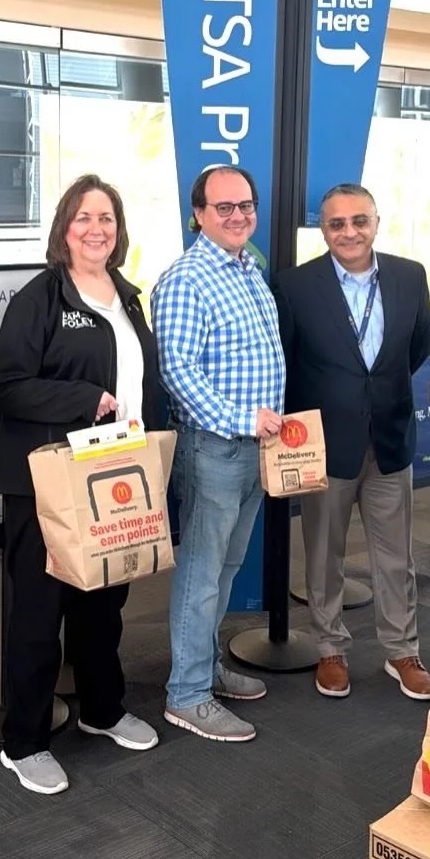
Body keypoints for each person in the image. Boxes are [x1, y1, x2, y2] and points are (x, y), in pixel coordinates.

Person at [0, 175, 161, 795]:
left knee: (103, 604)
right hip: (48, 478)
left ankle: (101, 710)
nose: (96, 229)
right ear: (63, 228)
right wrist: (83, 397)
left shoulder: (128, 296)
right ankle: (23, 740)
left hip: (114, 473)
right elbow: (1, 385)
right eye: (84, 218)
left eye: (107, 218)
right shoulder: (42, 297)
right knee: (38, 609)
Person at [274, 184, 430, 701]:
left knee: (396, 557)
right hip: (325, 443)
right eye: (336, 224)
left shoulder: (410, 277)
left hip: (389, 438)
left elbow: (413, 349)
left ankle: (402, 650)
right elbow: (289, 362)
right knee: (324, 554)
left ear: (376, 222)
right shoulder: (296, 286)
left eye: (358, 221)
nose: (349, 232)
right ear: (323, 230)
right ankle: (331, 649)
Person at [150, 165, 285, 743]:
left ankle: (202, 668)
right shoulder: (187, 278)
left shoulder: (247, 269)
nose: (238, 216)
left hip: (256, 449)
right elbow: (177, 371)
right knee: (203, 574)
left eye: (245, 205)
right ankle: (186, 694)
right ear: (199, 213)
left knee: (226, 567)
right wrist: (239, 419)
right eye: (223, 207)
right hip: (215, 448)